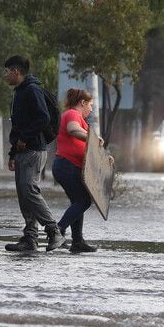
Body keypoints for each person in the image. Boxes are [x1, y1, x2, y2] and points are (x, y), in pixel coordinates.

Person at [2, 55, 60, 252]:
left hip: (34, 149)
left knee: (29, 190)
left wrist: (25, 138)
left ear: (16, 72)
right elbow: (18, 125)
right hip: (22, 150)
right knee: (24, 195)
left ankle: (54, 230)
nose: (6, 76)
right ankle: (30, 238)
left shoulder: (31, 90)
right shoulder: (20, 91)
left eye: (7, 72)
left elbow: (42, 118)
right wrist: (12, 153)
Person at [51, 87, 100, 253]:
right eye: (90, 105)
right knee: (84, 201)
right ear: (82, 103)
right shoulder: (73, 114)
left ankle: (77, 241)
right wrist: (92, 137)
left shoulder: (77, 117)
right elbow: (73, 129)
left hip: (68, 166)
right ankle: (58, 231)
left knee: (77, 202)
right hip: (67, 166)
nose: (91, 109)